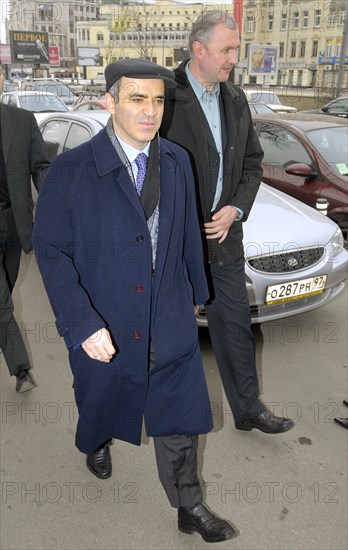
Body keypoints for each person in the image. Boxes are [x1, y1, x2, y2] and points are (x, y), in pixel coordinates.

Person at [32, 58, 237, 543]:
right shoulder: (71, 170)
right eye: (137, 99)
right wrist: (81, 323)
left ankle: (189, 505)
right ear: (109, 102)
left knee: (181, 416)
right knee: (100, 399)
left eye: (158, 101)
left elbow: (187, 232)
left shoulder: (177, 161)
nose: (151, 112)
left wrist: (194, 295)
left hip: (168, 313)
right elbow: (51, 250)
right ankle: (95, 440)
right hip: (104, 320)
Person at [160, 11, 294, 434]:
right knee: (169, 335)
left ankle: (248, 410)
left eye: (235, 49)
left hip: (225, 240)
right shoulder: (161, 95)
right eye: (227, 50)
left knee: (235, 328)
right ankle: (157, 417)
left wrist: (235, 206)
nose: (234, 58)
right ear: (198, 50)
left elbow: (252, 162)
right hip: (174, 242)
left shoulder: (235, 99)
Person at [0, 61, 49, 392]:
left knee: (7, 291)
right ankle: (21, 369)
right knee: (2, 303)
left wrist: (54, 208)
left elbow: (40, 167)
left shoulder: (21, 120)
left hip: (13, 224)